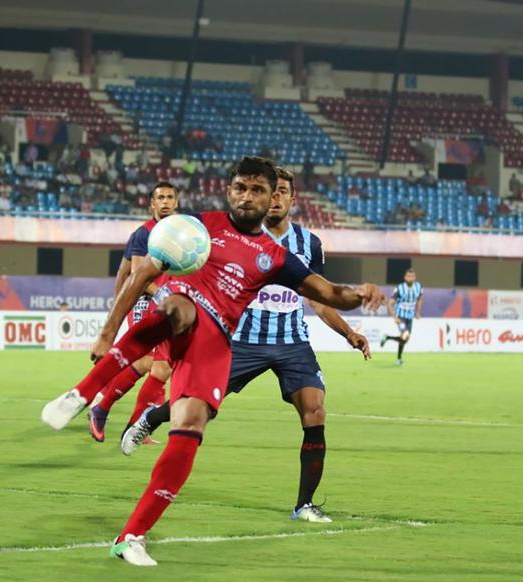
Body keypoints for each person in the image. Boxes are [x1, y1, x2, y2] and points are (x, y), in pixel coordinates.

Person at [39, 156, 385, 566]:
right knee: (179, 309)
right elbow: (142, 274)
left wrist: (360, 293)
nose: (247, 196)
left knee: (190, 428)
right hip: (186, 314)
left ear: (272, 196)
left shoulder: (275, 256)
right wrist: (106, 330)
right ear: (228, 189)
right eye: (240, 187)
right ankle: (82, 394)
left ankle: (131, 535)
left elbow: (326, 293)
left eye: (257, 190)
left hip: (217, 344)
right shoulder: (195, 226)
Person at [120, 167, 372, 526]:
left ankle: (305, 504)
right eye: (274, 191)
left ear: (288, 199)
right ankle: (151, 417)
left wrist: (347, 332)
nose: (277, 198)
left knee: (315, 412)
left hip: (291, 342)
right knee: (197, 408)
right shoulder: (235, 232)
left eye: (283, 192)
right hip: (240, 339)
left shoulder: (308, 243)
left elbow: (318, 298)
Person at [88, 183, 178, 443]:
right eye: (160, 197)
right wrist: (122, 304)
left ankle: (115, 415)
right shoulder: (144, 234)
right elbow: (137, 277)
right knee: (156, 366)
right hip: (148, 304)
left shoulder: (179, 233)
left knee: (152, 365)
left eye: (170, 197)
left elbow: (123, 271)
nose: (165, 202)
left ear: (177, 201)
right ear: (152, 204)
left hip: (169, 307)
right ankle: (123, 419)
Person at [380, 268, 423, 365]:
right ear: (404, 278)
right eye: (408, 276)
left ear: (415, 277)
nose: (410, 278)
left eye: (412, 276)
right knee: (405, 335)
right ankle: (398, 358)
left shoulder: (418, 287)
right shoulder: (400, 288)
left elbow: (420, 299)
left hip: (410, 316)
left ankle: (388, 339)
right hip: (400, 316)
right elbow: (390, 303)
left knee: (404, 339)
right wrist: (395, 317)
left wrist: (418, 312)